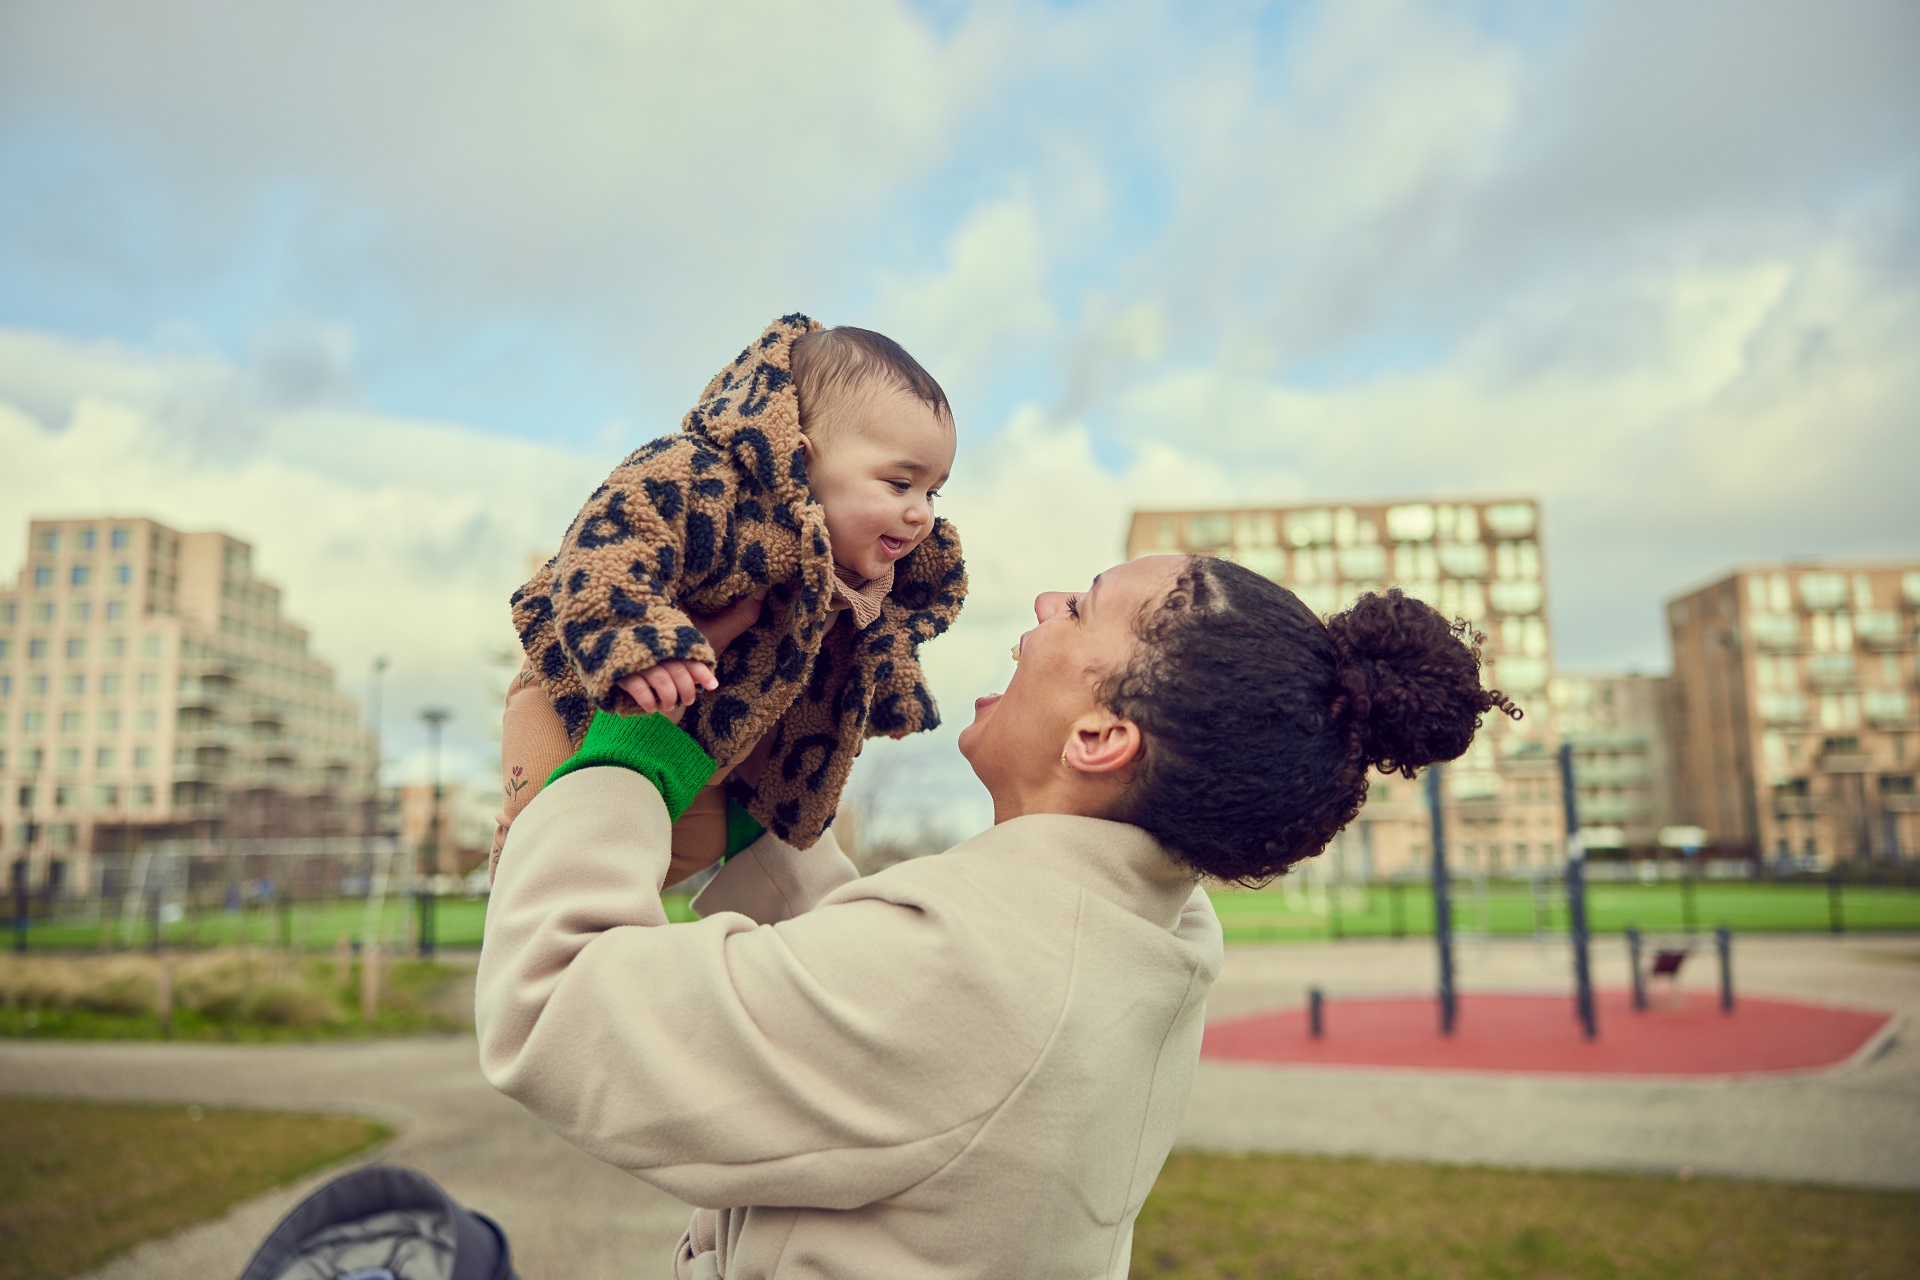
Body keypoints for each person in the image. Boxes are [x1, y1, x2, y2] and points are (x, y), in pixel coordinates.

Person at [476, 554, 1511, 1278]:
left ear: (1103, 733)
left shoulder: (982, 969)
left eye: (1081, 606)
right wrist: (757, 820)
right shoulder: (1154, 924)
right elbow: (897, 1029)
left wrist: (627, 752)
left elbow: (553, 1005)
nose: (1048, 600)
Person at [494, 313, 967, 882]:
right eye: (899, 484)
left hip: (704, 740)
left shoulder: (861, 571)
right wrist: (641, 634)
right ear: (803, 458)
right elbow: (612, 540)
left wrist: (889, 694)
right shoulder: (705, 481)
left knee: (673, 855)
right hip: (579, 685)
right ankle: (517, 905)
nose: (921, 513)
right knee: (543, 837)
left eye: (932, 490)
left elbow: (874, 639)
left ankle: (629, 941)